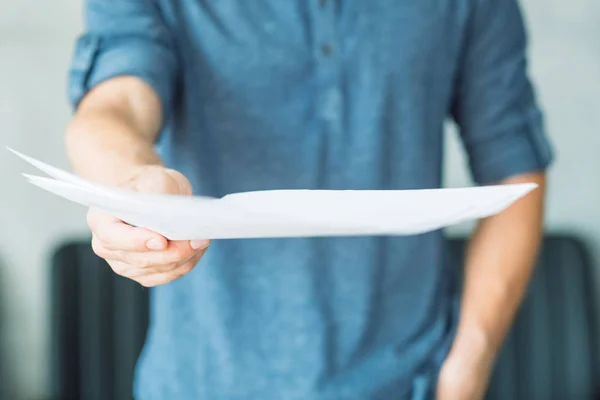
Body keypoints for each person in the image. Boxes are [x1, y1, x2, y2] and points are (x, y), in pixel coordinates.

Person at [64, 1, 553, 399]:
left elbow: (513, 165)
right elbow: (117, 101)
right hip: (202, 381)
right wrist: (130, 184)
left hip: (412, 381)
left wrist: (468, 364)